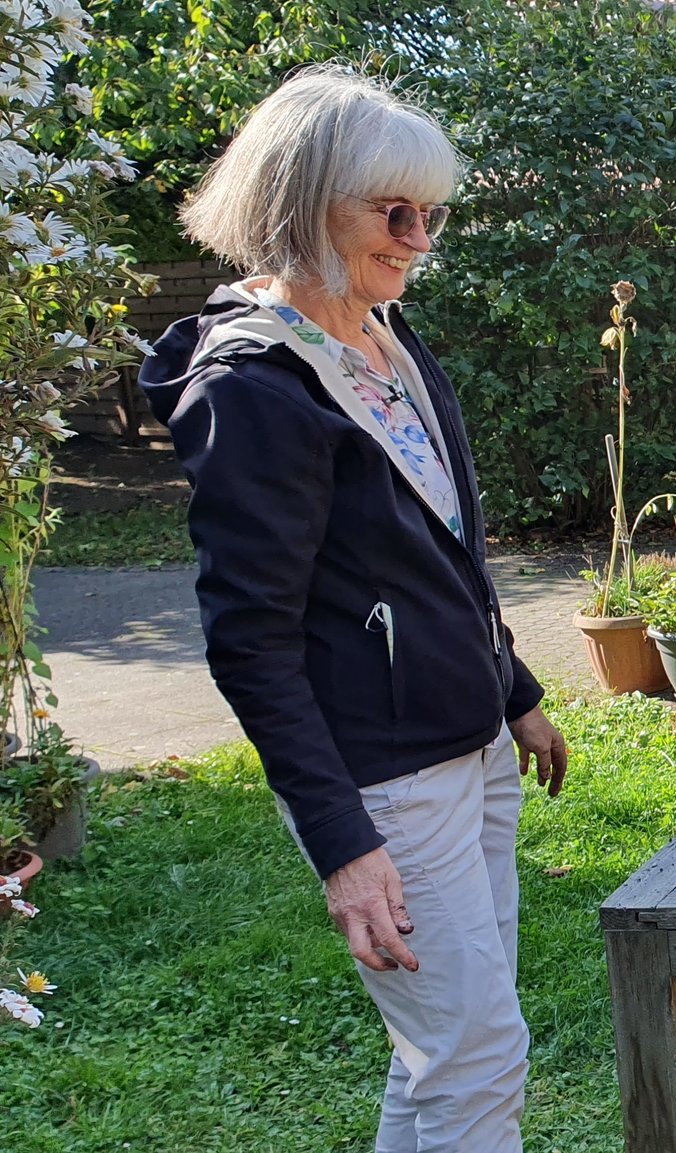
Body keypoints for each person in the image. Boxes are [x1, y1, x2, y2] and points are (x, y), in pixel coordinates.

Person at [140, 67, 567, 1152]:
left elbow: (438, 550)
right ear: (299, 203)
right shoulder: (255, 387)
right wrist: (342, 842)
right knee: (477, 1055)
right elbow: (250, 643)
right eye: (392, 210)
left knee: (440, 1052)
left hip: (468, 750)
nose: (418, 236)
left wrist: (511, 691)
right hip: (386, 784)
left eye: (430, 212)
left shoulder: (385, 339)